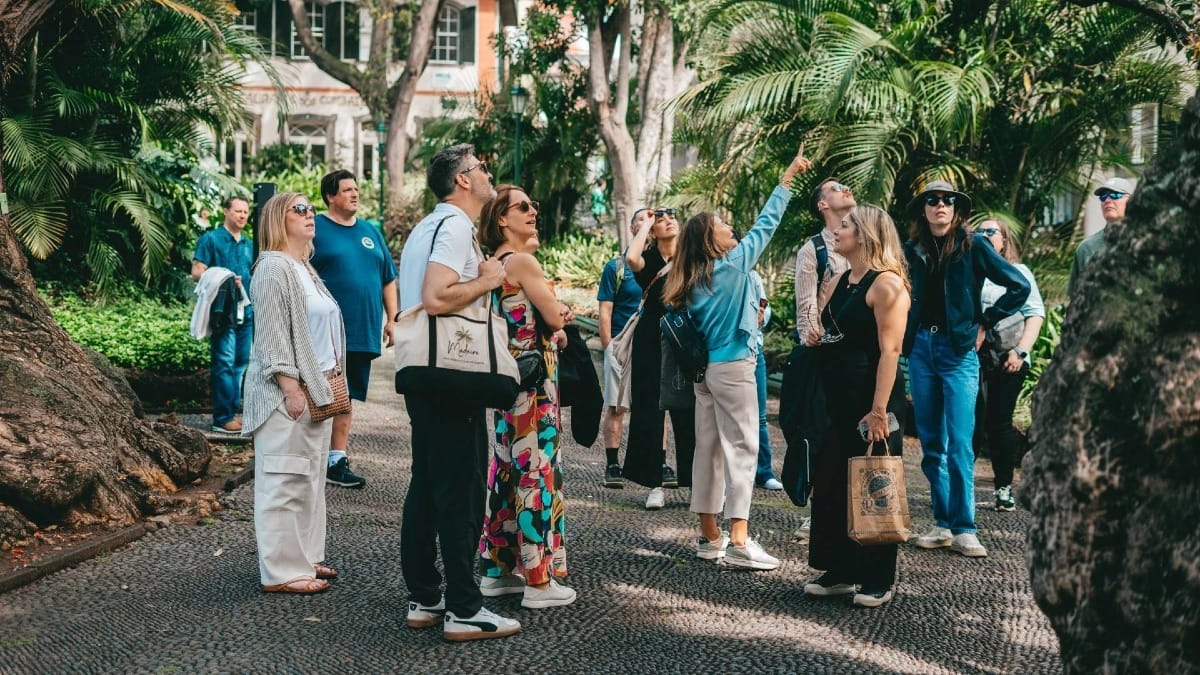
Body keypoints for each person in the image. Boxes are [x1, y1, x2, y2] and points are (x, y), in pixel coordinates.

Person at [662, 142, 810, 570]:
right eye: (725, 226)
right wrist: (786, 180)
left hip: (704, 372)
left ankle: (711, 536)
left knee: (706, 449)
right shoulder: (732, 267)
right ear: (711, 240)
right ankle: (741, 541)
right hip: (734, 367)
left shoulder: (691, 278)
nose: (734, 231)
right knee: (743, 449)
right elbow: (768, 223)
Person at [396, 144, 520, 641]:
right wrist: (489, 276)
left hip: (424, 373)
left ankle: (426, 597)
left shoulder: (425, 228)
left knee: (426, 487)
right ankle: (466, 608)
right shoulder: (452, 228)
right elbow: (436, 296)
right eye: (482, 168)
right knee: (463, 491)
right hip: (452, 373)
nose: (489, 174)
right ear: (463, 179)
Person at [903, 181, 1029, 559]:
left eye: (947, 200)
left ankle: (965, 527)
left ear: (956, 209)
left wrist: (984, 321)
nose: (940, 205)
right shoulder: (912, 250)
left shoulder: (974, 246)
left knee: (960, 442)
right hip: (923, 349)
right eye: (932, 200)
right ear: (923, 209)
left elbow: (1018, 286)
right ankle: (943, 523)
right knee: (931, 444)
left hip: (959, 352)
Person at [801, 204, 909, 607]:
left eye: (844, 225)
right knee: (831, 483)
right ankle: (841, 568)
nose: (836, 230)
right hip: (835, 400)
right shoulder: (844, 278)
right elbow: (837, 331)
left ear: (864, 235)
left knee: (875, 482)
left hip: (870, 400)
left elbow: (891, 350)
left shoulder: (887, 285)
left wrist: (879, 409)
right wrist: (819, 339)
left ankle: (878, 576)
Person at [476, 185, 577, 609]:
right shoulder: (522, 261)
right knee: (536, 474)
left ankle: (497, 571)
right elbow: (552, 316)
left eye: (533, 204)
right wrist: (561, 313)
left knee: (506, 474)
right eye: (523, 206)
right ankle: (538, 581)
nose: (533, 210)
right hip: (534, 387)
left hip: (506, 385)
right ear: (502, 218)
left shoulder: (493, 264)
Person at [242, 192, 344, 594]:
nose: (310, 215)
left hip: (316, 389)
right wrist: (289, 385)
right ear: (276, 219)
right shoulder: (272, 269)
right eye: (299, 209)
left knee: (309, 480)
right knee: (283, 479)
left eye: (311, 209)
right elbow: (270, 335)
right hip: (287, 393)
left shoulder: (304, 268)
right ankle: (282, 571)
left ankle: (304, 558)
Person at [310, 169, 398, 489]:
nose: (354, 194)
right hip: (324, 331)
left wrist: (393, 318)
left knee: (346, 397)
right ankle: (309, 456)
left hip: (362, 329)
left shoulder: (370, 231)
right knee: (319, 392)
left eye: (356, 189)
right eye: (347, 190)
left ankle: (336, 459)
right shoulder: (315, 228)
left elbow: (388, 277)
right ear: (331, 196)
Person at [781, 177, 854, 539]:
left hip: (861, 353)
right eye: (836, 188)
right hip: (825, 353)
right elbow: (806, 302)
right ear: (823, 205)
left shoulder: (869, 240)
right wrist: (815, 335)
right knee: (820, 432)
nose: (845, 190)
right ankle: (818, 510)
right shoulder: (814, 249)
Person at [624, 205, 696, 510]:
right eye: (661, 220)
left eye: (672, 218)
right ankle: (654, 483)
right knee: (650, 409)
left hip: (684, 338)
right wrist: (647, 223)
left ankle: (694, 483)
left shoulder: (690, 259)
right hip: (651, 339)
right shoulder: (649, 258)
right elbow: (631, 258)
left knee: (689, 412)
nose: (669, 222)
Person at [973, 218, 1044, 512]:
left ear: (1004, 240)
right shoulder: (969, 269)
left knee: (999, 422)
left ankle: (1003, 488)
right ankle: (961, 489)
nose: (985, 236)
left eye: (992, 231)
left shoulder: (1018, 272)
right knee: (970, 421)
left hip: (1006, 357)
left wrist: (1021, 352)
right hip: (972, 356)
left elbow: (1035, 313)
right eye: (980, 231)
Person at [192, 195, 254, 433]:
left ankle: (231, 412)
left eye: (245, 212)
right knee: (224, 362)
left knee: (241, 362)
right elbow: (197, 272)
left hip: (247, 310)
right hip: (224, 311)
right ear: (226, 212)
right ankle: (222, 417)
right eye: (238, 211)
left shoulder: (249, 244)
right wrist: (224, 276)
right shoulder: (211, 239)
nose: (242, 215)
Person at [597, 208, 650, 488]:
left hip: (651, 346)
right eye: (641, 219)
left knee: (656, 407)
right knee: (617, 406)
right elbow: (604, 311)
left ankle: (658, 462)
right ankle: (612, 464)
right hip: (621, 343)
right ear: (632, 229)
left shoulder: (662, 266)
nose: (647, 223)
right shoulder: (616, 268)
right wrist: (609, 348)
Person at [1068, 177, 1134, 295]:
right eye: (1103, 197)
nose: (1107, 200)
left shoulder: (1147, 243)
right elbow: (1075, 297)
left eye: (1115, 195)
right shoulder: (1086, 248)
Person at [749, 268, 782, 490]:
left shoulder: (752, 276)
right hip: (724, 354)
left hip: (754, 350)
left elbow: (765, 308)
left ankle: (764, 471)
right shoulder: (713, 273)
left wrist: (759, 315)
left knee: (759, 416)